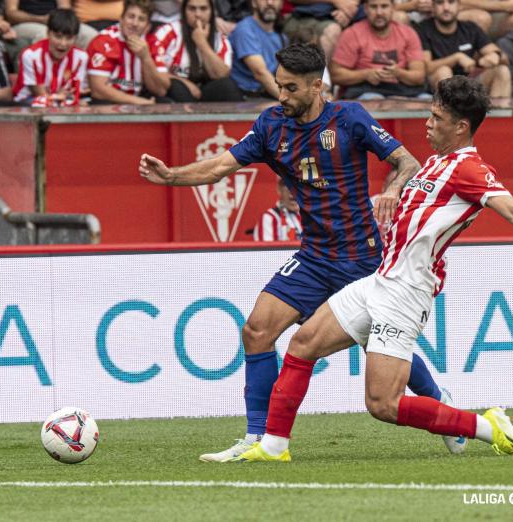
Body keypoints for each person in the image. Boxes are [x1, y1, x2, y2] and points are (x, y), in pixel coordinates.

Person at [233, 75, 513, 463]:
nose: (427, 123)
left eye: (436, 117)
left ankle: (487, 427)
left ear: (461, 127)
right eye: (429, 113)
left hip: (406, 295)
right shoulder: (437, 162)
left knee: (383, 404)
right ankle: (272, 446)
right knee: (302, 344)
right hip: (379, 280)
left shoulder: (469, 169)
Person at [139, 43, 462, 462]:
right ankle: (257, 437)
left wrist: (391, 189)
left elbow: (407, 162)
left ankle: (442, 403)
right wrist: (171, 177)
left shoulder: (349, 119)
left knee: (378, 345)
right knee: (257, 330)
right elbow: (221, 166)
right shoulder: (272, 124)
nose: (282, 96)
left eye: (291, 88)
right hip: (313, 257)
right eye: (278, 86)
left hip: (361, 260)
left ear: (316, 85)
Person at [148, 0, 243, 102]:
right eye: (192, 9)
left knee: (227, 86)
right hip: (175, 93)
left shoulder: (220, 39)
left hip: (205, 92)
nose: (198, 14)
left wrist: (202, 44)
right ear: (184, 11)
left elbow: (222, 75)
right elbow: (154, 74)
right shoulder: (166, 32)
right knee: (178, 88)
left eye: (203, 9)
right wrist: (185, 83)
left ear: (212, 12)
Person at [330, 0, 426, 100]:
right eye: (373, 7)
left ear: (393, 8)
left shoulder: (408, 33)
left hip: (402, 89)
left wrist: (398, 73)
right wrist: (365, 74)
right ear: (366, 9)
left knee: (427, 99)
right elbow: (336, 75)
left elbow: (419, 76)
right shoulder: (352, 34)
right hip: (365, 90)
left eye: (384, 6)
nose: (379, 12)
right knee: (374, 99)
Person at [416, 0, 511, 97]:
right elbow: (425, 68)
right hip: (436, 86)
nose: (446, 8)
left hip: (468, 82)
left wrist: (496, 56)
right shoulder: (423, 29)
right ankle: (452, 111)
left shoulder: (470, 28)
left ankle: (498, 112)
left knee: (502, 71)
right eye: (440, 3)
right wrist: (456, 58)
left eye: (451, 2)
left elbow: (503, 57)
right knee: (443, 71)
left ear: (459, 6)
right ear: (433, 7)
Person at [87, 0, 170, 104]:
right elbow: (98, 91)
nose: (135, 23)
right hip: (108, 102)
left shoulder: (153, 42)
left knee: (167, 101)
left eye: (141, 19)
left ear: (147, 26)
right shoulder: (103, 41)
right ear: (121, 19)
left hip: (139, 98)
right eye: (131, 17)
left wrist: (146, 58)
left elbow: (161, 90)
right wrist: (140, 102)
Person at [13, 8, 88, 105]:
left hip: (61, 101)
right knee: (42, 104)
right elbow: (40, 94)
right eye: (58, 36)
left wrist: (65, 97)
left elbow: (73, 92)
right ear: (48, 33)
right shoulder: (31, 55)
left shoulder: (81, 58)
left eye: (69, 38)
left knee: (82, 104)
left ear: (76, 38)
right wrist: (61, 96)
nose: (63, 44)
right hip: (29, 100)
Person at [228, 0, 286, 99]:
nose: (270, 3)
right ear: (254, 3)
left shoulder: (281, 37)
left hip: (267, 94)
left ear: (281, 4)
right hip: (244, 97)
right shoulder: (245, 29)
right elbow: (260, 73)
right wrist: (290, 101)